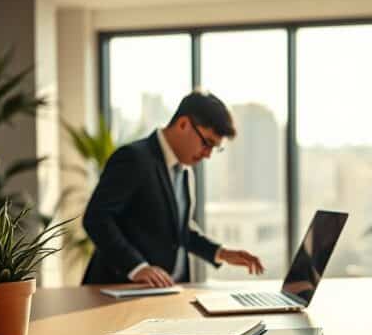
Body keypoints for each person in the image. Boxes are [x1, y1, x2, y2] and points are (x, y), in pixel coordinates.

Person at [82, 91, 265, 286]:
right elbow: (97, 217)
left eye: (215, 148)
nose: (208, 155)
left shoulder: (185, 171)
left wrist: (221, 253)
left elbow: (179, 229)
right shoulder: (134, 158)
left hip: (167, 291)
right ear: (183, 124)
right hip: (119, 291)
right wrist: (137, 267)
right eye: (207, 143)